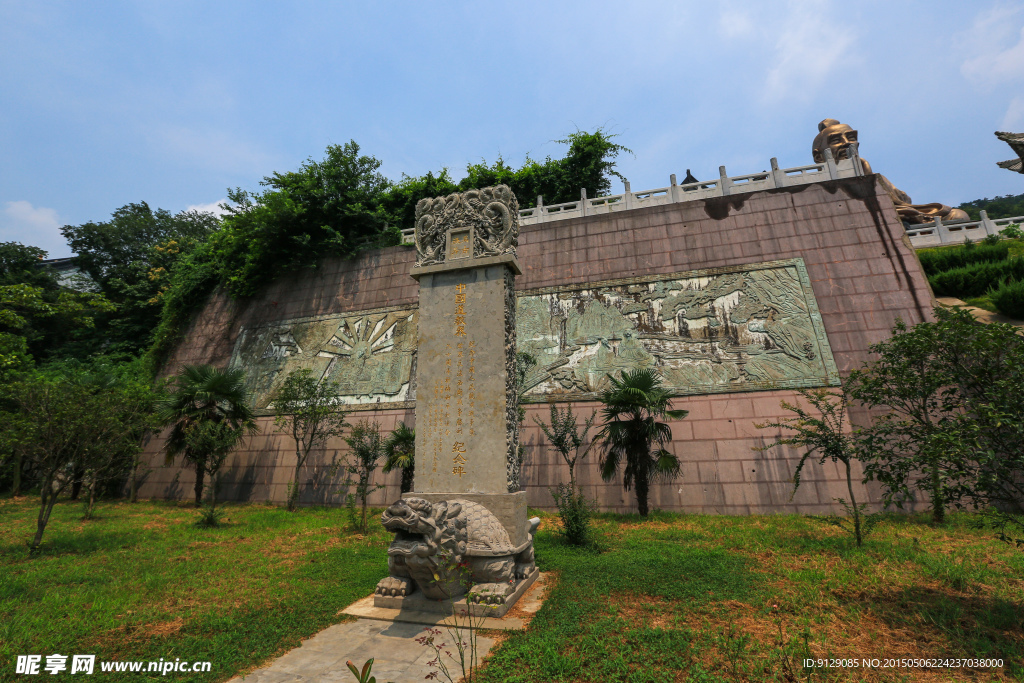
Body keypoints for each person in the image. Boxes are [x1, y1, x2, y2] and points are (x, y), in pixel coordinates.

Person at [812, 119, 969, 224]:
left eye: (851, 138)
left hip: (896, 216)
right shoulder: (815, 187)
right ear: (819, 156)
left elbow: (902, 199)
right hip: (869, 220)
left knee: (958, 216)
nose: (847, 144)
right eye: (836, 140)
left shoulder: (868, 170)